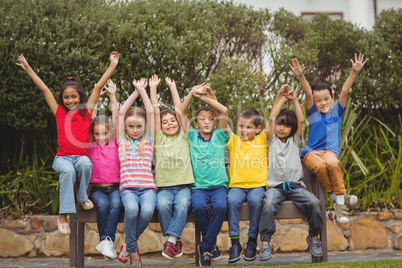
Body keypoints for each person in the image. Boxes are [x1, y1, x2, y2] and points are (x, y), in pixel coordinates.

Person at [16, 52, 119, 235]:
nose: (70, 100)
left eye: (74, 97)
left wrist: (112, 65)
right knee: (69, 171)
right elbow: (44, 90)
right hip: (62, 158)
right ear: (62, 99)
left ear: (80, 97)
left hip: (80, 157)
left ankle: (82, 196)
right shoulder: (59, 112)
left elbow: (97, 87)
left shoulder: (86, 113)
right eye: (66, 97)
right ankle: (63, 216)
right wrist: (28, 68)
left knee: (86, 163)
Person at [290, 53, 367, 224]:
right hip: (311, 153)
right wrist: (301, 76)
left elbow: (345, 90)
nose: (323, 103)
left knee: (332, 163)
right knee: (319, 166)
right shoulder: (313, 114)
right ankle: (337, 196)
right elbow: (308, 93)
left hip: (329, 152)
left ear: (332, 99)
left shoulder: (337, 113)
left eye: (326, 99)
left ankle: (339, 205)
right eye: (318, 101)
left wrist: (354, 72)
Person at [259, 85, 323, 261]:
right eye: (280, 124)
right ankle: (265, 243)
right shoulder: (271, 140)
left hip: (295, 187)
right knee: (269, 203)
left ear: (292, 129)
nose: (281, 128)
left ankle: (314, 238)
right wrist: (282, 100)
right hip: (275, 187)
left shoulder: (295, 141)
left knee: (314, 202)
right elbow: (272, 118)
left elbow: (301, 121)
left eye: (286, 126)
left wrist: (295, 99)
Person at [180, 84, 229, 267]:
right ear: (195, 124)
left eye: (210, 119)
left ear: (215, 124)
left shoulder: (219, 136)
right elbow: (180, 112)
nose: (207, 122)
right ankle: (211, 246)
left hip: (219, 186)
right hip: (199, 187)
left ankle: (205, 246)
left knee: (221, 207)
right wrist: (192, 94)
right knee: (199, 207)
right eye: (202, 119)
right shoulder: (192, 136)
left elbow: (223, 110)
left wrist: (205, 98)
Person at [150, 75, 195, 260]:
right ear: (160, 127)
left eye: (172, 120)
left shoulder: (184, 136)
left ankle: (171, 240)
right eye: (165, 122)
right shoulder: (158, 138)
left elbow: (180, 110)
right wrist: (153, 88)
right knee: (161, 204)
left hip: (184, 186)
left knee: (183, 203)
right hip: (165, 188)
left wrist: (172, 87)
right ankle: (174, 241)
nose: (170, 123)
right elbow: (153, 111)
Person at [116, 78, 156, 266]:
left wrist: (143, 91)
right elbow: (122, 112)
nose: (135, 130)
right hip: (128, 189)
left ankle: (128, 246)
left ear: (145, 127)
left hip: (147, 188)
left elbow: (150, 111)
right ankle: (133, 251)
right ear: (125, 127)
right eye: (131, 126)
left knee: (147, 210)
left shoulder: (148, 140)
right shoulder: (121, 141)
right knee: (131, 209)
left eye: (139, 126)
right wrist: (135, 92)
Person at [225, 107, 268, 263]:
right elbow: (223, 121)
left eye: (248, 127)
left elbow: (272, 118)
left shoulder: (261, 139)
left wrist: (281, 98)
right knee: (231, 200)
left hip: (257, 186)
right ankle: (235, 243)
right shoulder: (234, 141)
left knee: (256, 201)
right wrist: (211, 97)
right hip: (237, 187)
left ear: (257, 129)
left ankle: (251, 241)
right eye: (241, 125)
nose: (243, 130)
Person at [88, 79, 122, 260]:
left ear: (111, 132)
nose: (101, 137)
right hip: (97, 190)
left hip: (114, 188)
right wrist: (97, 95)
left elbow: (116, 116)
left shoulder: (116, 143)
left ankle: (106, 240)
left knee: (116, 204)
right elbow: (91, 118)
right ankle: (106, 240)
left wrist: (112, 95)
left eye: (104, 133)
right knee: (102, 205)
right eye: (97, 133)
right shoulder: (91, 145)